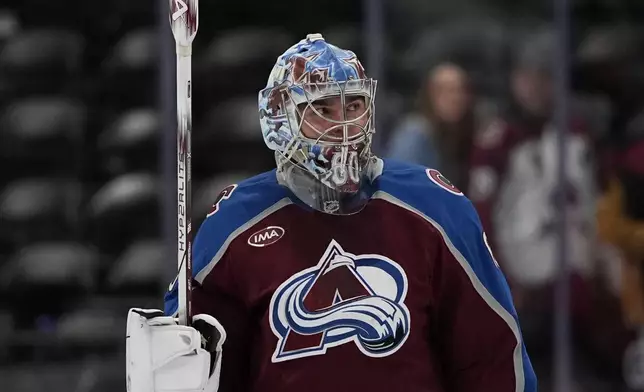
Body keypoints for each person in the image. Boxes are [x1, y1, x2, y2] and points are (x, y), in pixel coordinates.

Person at [125, 33, 537, 392]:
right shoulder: (235, 224)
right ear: (280, 118)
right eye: (323, 109)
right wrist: (179, 357)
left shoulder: (434, 207)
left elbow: (492, 355)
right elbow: (201, 364)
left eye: (353, 105)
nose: (344, 128)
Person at [386, 62, 475, 192]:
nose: (457, 98)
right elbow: (398, 189)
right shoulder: (414, 134)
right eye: (448, 91)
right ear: (430, 95)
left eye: (461, 91)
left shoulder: (453, 135)